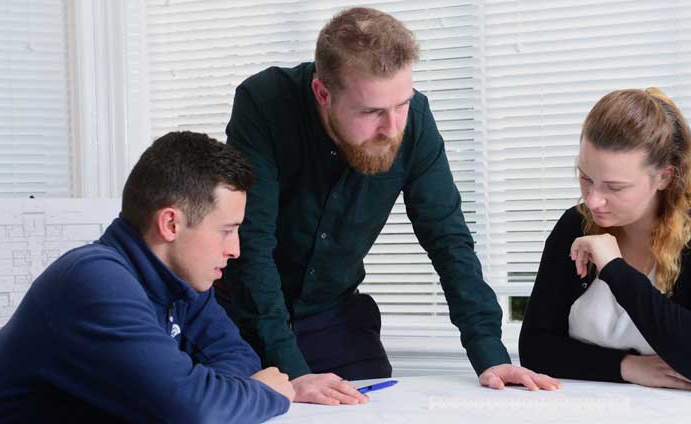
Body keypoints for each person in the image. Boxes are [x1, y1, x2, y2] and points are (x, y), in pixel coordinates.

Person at [216, 7, 560, 406]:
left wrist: (491, 355)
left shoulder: (414, 122)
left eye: (402, 105)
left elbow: (447, 238)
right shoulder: (264, 103)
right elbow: (252, 245)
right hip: (241, 313)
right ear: (323, 94)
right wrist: (294, 373)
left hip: (333, 315)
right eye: (372, 112)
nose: (393, 128)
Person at [0, 132, 294, 423]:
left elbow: (240, 360)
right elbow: (194, 411)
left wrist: (203, 391)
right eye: (227, 230)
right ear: (171, 224)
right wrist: (262, 392)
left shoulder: (183, 281)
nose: (235, 250)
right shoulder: (94, 281)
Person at [518, 88, 691, 394]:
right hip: (623, 408)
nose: (593, 201)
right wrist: (627, 367)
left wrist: (615, 270)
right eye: (585, 178)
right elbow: (535, 348)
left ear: (664, 177)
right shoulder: (575, 225)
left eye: (614, 187)